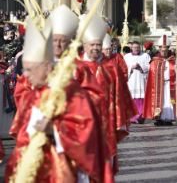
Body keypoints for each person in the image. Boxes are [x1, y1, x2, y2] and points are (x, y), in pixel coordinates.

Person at [5, 18, 114, 183]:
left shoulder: (77, 80)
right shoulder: (31, 95)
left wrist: (55, 130)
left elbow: (86, 123)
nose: (25, 75)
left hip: (66, 164)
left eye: (61, 41)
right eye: (54, 41)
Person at [79, 14, 138, 174]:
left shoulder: (112, 67)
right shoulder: (74, 67)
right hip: (79, 125)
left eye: (98, 45)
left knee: (104, 167)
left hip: (106, 123)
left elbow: (121, 95)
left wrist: (119, 121)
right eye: (92, 44)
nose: (96, 48)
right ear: (84, 45)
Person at [143, 35, 177, 126]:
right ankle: (159, 118)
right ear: (159, 50)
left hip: (170, 85)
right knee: (160, 101)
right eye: (162, 51)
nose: (163, 52)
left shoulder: (173, 59)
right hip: (159, 86)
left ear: (168, 51)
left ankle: (169, 119)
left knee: (169, 101)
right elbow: (151, 73)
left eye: (165, 51)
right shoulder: (155, 60)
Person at [124, 41, 150, 123]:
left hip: (142, 81)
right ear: (131, 48)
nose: (136, 49)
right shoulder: (126, 57)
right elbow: (123, 68)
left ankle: (141, 117)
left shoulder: (145, 56)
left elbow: (150, 67)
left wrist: (141, 68)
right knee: (132, 99)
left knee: (142, 99)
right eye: (135, 47)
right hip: (131, 81)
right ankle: (132, 118)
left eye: (138, 47)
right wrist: (131, 67)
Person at [0, 49, 15, 139]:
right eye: (3, 56)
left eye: (5, 56)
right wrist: (6, 71)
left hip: (6, 90)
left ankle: (7, 130)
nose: (5, 58)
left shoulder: (6, 65)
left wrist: (10, 70)